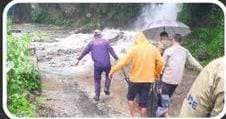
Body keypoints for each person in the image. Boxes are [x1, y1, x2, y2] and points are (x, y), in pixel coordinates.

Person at [108, 32, 164, 117]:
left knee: (130, 98)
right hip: (148, 80)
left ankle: (132, 116)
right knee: (143, 104)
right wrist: (157, 73)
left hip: (134, 80)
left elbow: (123, 62)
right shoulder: (153, 48)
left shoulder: (133, 49)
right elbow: (161, 62)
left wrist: (112, 70)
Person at [157, 34, 203, 117]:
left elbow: (161, 65)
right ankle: (164, 112)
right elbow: (194, 62)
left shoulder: (168, 50)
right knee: (167, 97)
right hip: (177, 80)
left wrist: (157, 75)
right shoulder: (185, 51)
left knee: (162, 99)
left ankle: (161, 115)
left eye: (172, 40)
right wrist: (203, 69)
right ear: (181, 41)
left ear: (173, 40)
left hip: (167, 79)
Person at [76, 29, 118, 101]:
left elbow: (84, 52)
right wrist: (116, 58)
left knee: (97, 80)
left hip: (97, 65)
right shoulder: (105, 42)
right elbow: (111, 50)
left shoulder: (91, 43)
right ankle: (106, 88)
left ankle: (97, 96)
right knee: (109, 74)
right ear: (100, 35)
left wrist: (79, 59)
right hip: (107, 64)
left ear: (94, 36)